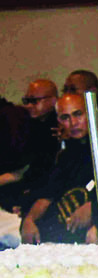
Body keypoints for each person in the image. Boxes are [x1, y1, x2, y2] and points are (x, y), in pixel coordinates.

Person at [18, 93, 98, 243]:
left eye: (78, 114)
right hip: (66, 229)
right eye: (65, 118)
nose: (73, 123)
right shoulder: (66, 155)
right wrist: (30, 219)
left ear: (91, 112)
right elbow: (49, 192)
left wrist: (95, 211)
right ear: (59, 121)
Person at [0, 79, 60, 214]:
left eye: (34, 101)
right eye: (26, 101)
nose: (28, 106)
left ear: (53, 101)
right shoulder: (26, 125)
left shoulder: (59, 128)